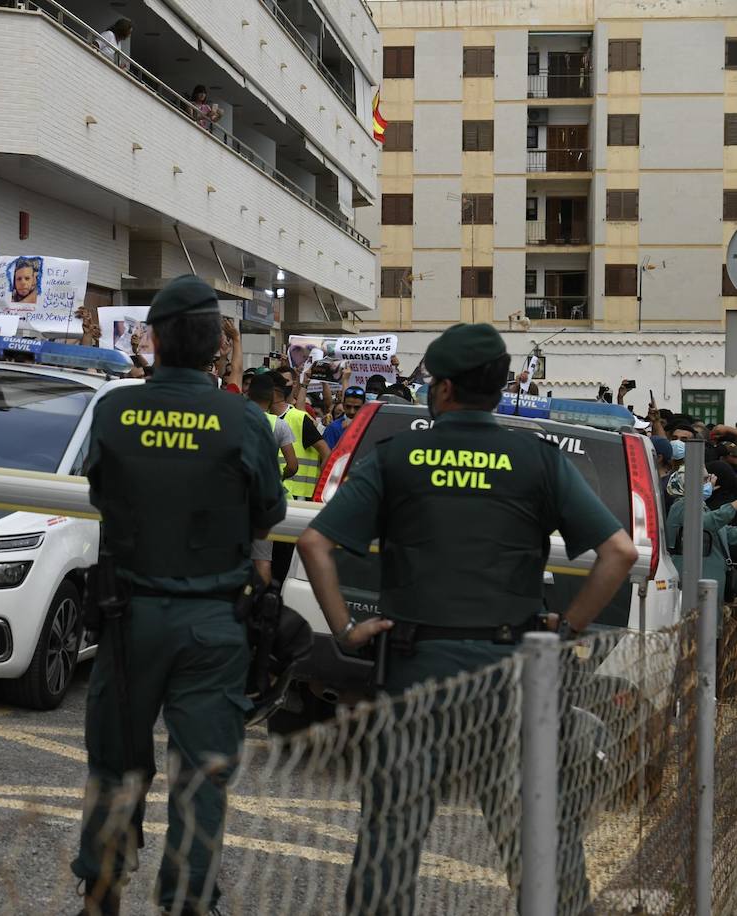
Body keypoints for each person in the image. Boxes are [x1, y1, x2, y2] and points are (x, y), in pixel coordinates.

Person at [296, 322, 638, 914]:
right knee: (540, 847)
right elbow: (620, 554)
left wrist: (347, 629)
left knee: (389, 850)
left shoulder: (397, 457)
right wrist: (566, 631)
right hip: (511, 680)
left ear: (446, 389)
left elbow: (315, 545)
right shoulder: (538, 459)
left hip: (413, 676)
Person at [71, 274, 285, 916]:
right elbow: (268, 514)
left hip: (127, 617)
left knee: (114, 764)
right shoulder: (246, 420)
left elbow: (100, 492)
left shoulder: (113, 409)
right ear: (216, 350)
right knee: (202, 774)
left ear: (155, 342)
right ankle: (191, 899)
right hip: (213, 624)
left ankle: (103, 891)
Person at [246, 372, 297, 585]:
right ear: (271, 396)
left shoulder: (233, 417)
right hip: (263, 500)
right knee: (262, 559)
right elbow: (293, 465)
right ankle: (260, 608)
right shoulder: (279, 424)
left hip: (234, 496)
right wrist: (279, 475)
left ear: (248, 392)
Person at [666, 469, 737, 602]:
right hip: (696, 582)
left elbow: (723, 532)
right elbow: (706, 523)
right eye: (705, 480)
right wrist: (733, 506)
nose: (710, 483)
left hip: (707, 584)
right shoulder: (681, 506)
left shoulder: (700, 507)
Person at [272, 376, 330, 500]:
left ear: (274, 393)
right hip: (273, 492)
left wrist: (322, 486)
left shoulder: (300, 419)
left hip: (301, 496)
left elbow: (326, 453)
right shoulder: (263, 418)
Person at [323, 385, 367, 449]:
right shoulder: (333, 428)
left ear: (364, 406)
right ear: (343, 405)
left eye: (357, 407)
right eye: (348, 407)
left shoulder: (370, 427)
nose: (352, 412)